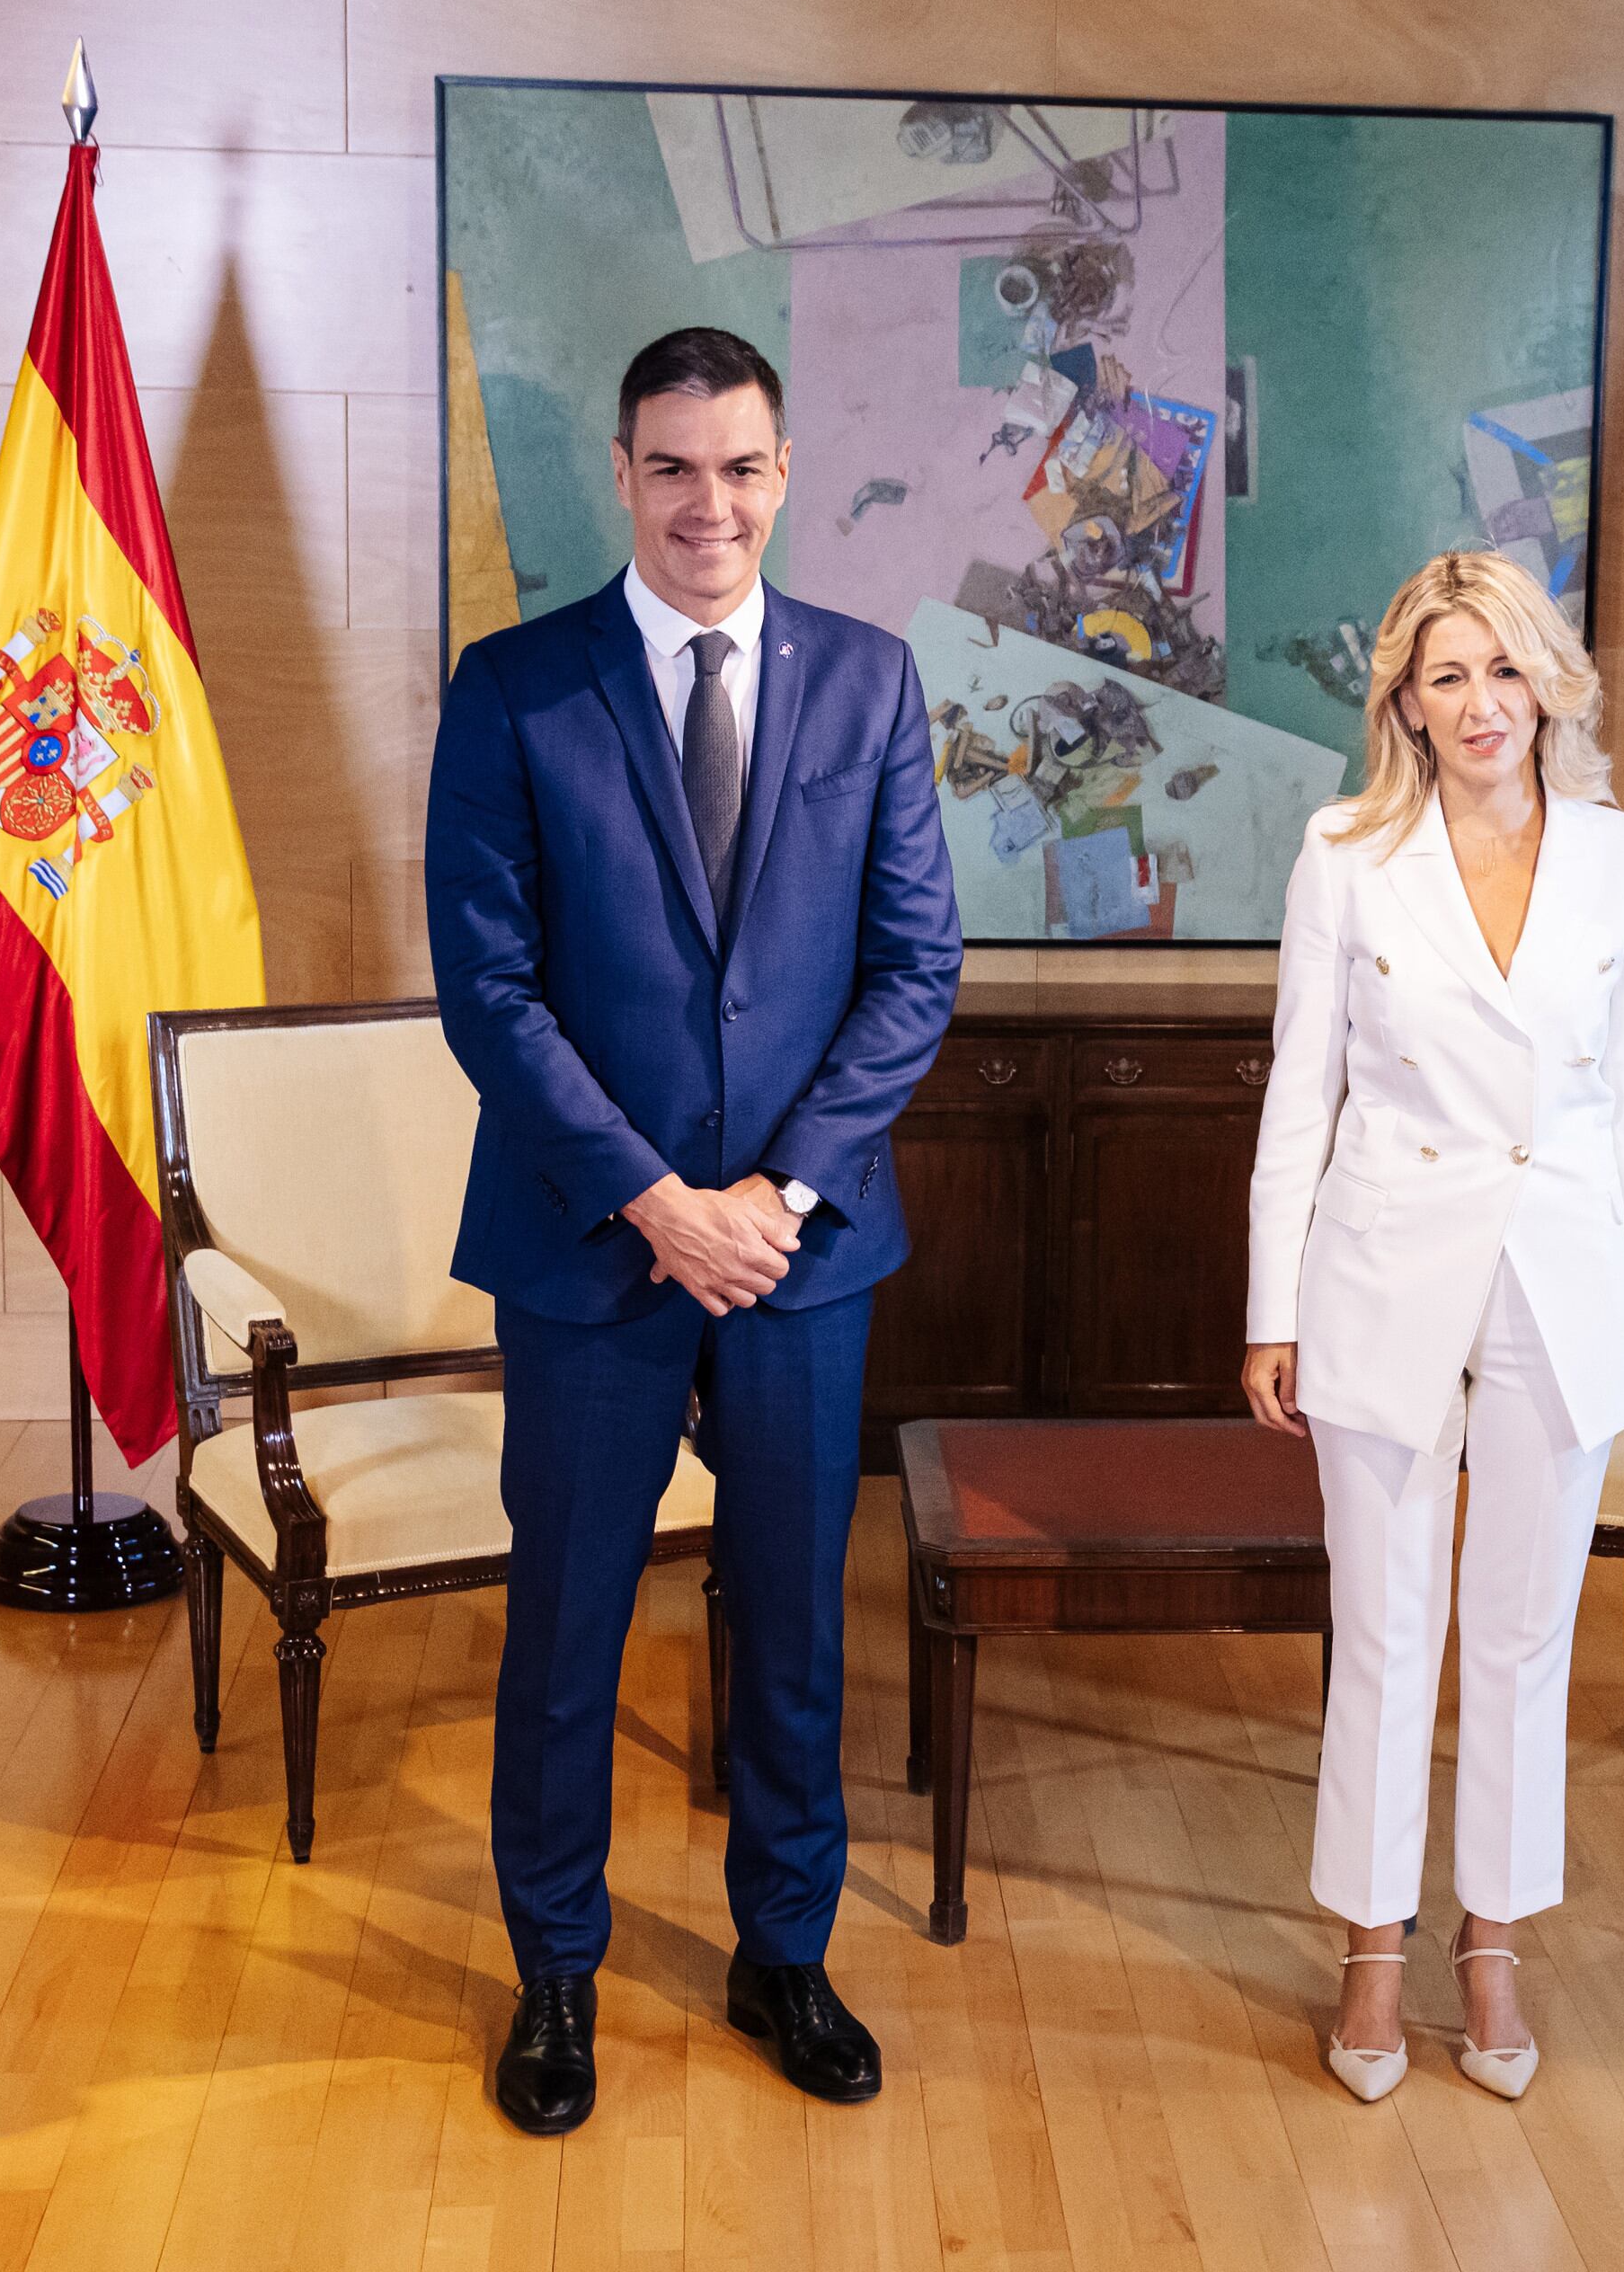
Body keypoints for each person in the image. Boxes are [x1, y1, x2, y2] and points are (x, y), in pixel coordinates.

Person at [428, 326, 961, 2135]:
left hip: (803, 1253)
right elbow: (491, 991)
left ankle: (782, 1954)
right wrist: (659, 1202)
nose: (706, 504)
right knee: (568, 1625)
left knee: (796, 1622)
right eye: (671, 467)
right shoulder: (516, 689)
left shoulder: (872, 682)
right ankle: (556, 1973)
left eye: (738, 468)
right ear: (623, 473)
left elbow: (913, 969)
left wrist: (776, 1195)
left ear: (784, 475)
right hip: (595, 1246)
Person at [1240, 548, 1624, 2104]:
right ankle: (1372, 1946)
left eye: (1505, 667)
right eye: (1449, 675)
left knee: (1520, 1630)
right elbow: (1300, 1095)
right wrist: (1272, 1306)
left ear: (1547, 683)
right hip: (1382, 1274)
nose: (1482, 702)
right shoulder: (1345, 853)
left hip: (1565, 1281)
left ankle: (1491, 1941)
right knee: (1381, 1626)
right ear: (1407, 705)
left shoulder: (1623, 857)